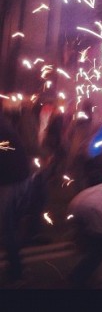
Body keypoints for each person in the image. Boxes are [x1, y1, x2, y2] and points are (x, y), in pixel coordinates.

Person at [0, 110, 33, 285]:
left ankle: (16, 272)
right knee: (10, 225)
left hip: (12, 182)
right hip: (19, 178)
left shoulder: (2, 129)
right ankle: (17, 267)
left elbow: (5, 149)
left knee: (6, 228)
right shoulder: (4, 124)